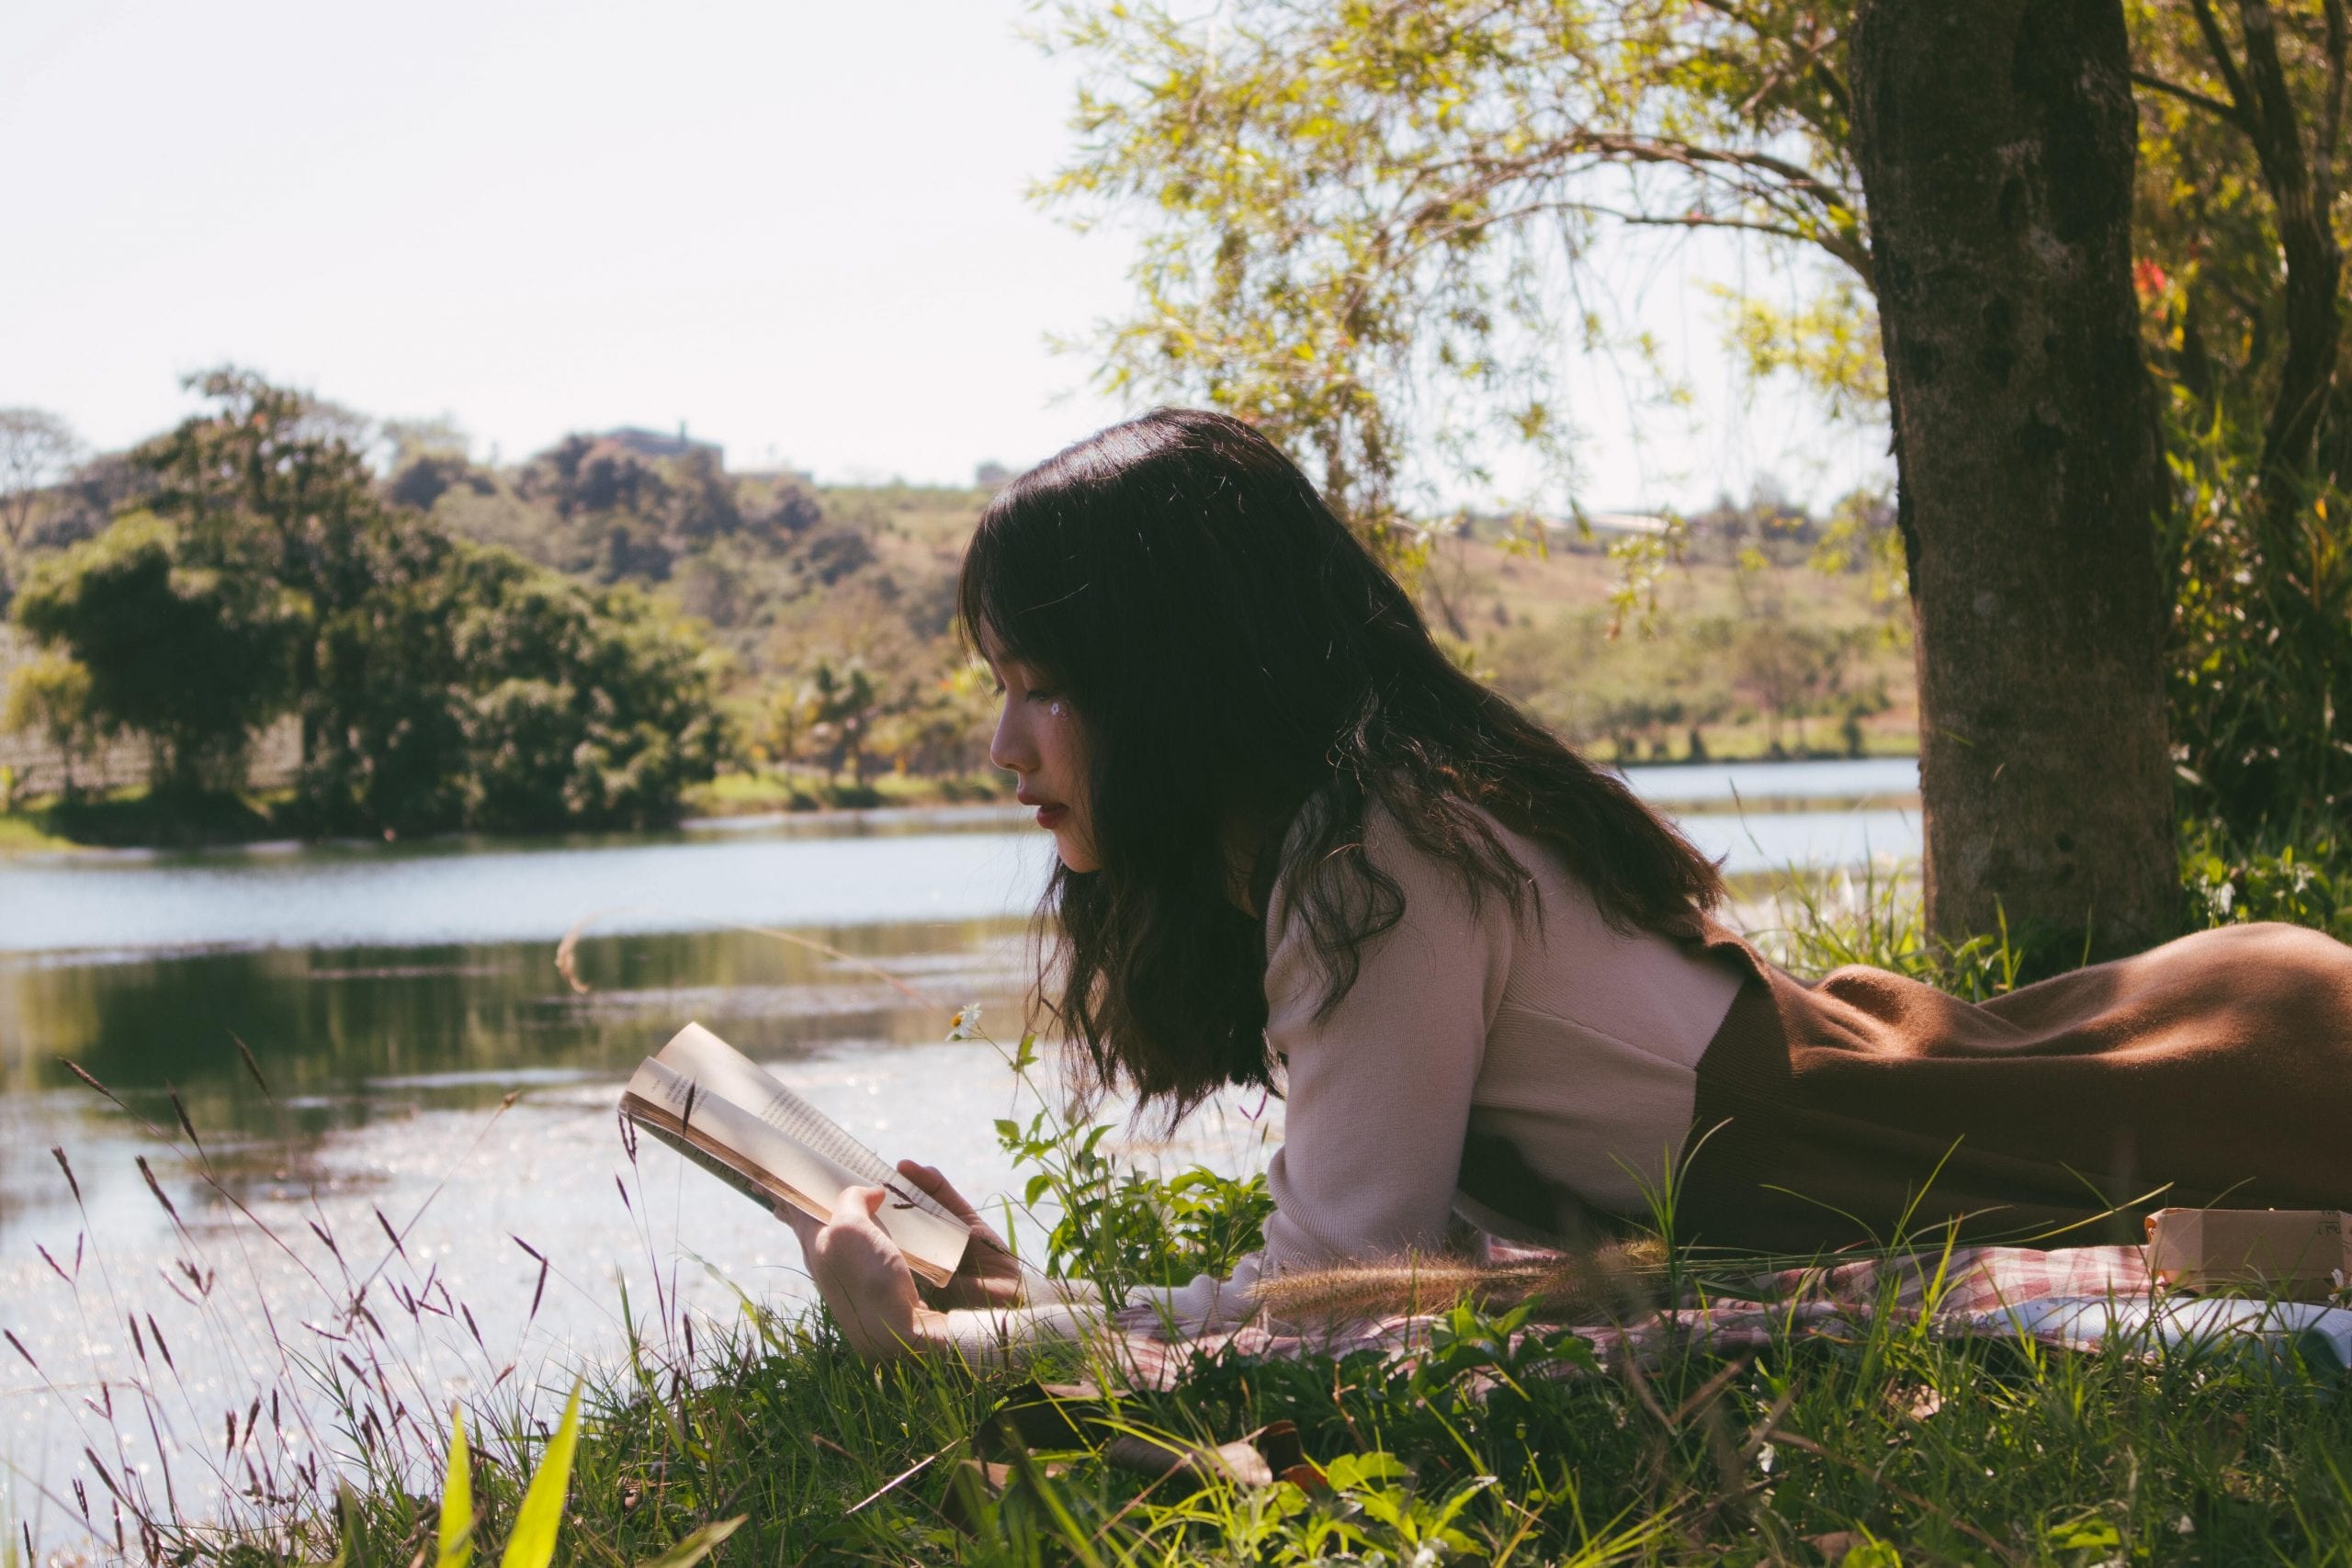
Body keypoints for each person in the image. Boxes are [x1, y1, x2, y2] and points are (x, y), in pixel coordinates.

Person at [780, 408, 2352, 1361]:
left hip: (2233, 1086)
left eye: (1043, 683)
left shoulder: (1375, 857)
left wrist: (979, 1341)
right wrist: (1007, 1298)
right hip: (2131, 1061)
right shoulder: (1372, 827)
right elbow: (1381, 1268)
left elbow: (1339, 1291)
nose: (1002, 744)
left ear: (1177, 681)